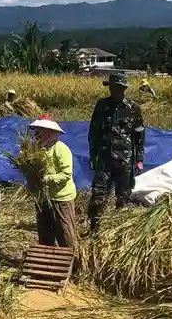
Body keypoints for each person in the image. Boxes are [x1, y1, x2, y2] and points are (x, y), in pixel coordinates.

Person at [87, 73, 145, 234]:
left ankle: (119, 230)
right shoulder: (102, 106)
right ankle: (95, 229)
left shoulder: (133, 108)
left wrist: (139, 159)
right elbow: (93, 131)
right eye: (113, 88)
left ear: (124, 89)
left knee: (123, 196)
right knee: (98, 194)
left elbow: (139, 136)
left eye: (119, 88)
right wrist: (92, 154)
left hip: (124, 159)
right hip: (104, 158)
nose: (116, 91)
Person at [29, 116, 77, 249]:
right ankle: (48, 260)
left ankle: (71, 263)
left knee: (65, 233)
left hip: (61, 198)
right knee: (45, 233)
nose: (36, 135)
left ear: (49, 133)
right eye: (36, 131)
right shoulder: (34, 150)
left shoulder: (60, 149)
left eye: (40, 131)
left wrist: (45, 179)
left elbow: (66, 174)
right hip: (42, 198)